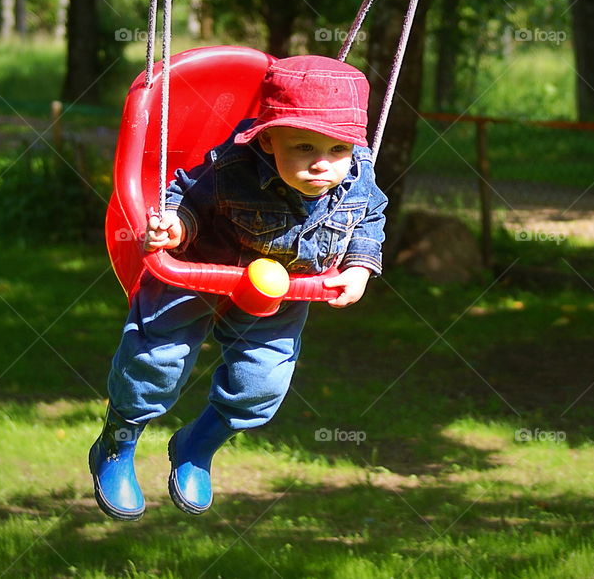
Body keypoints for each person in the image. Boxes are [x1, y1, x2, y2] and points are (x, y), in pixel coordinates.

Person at [89, 55, 388, 520]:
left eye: (336, 150)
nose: (322, 166)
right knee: (154, 363)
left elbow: (370, 218)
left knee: (259, 388)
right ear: (268, 139)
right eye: (304, 148)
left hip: (282, 287)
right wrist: (175, 227)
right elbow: (185, 196)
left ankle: (196, 445)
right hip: (201, 268)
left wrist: (359, 266)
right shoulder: (231, 167)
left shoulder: (358, 175)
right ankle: (117, 443)